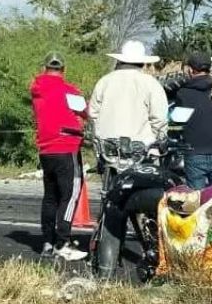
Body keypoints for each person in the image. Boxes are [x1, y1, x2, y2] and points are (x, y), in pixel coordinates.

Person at [31, 52, 89, 261]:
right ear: (63, 70)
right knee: (70, 195)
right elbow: (87, 112)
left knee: (50, 197)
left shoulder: (37, 89)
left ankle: (47, 240)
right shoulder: (69, 91)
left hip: (46, 149)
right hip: (67, 145)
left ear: (44, 68)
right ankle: (62, 242)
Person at [88, 41, 168, 148]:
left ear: (120, 60)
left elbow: (93, 114)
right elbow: (159, 118)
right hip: (140, 148)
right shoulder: (151, 83)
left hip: (107, 146)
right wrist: (154, 139)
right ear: (143, 62)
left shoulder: (105, 81)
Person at [173, 53, 212, 189]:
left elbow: (177, 121)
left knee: (196, 200)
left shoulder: (183, 93)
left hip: (194, 153)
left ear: (191, 70)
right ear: (210, 69)